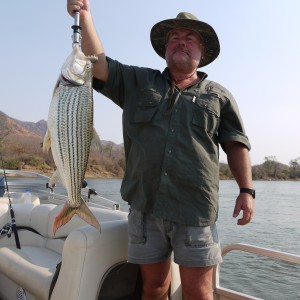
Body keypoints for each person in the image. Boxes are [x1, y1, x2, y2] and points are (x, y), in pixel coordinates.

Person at [67, 2, 255, 299]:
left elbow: (236, 144)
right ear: (166, 49)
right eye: (174, 38)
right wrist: (86, 17)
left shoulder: (220, 96)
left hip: (195, 209)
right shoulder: (138, 81)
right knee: (153, 288)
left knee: (199, 292)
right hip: (145, 207)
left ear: (201, 53)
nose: (181, 41)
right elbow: (96, 63)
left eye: (189, 38)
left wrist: (247, 190)